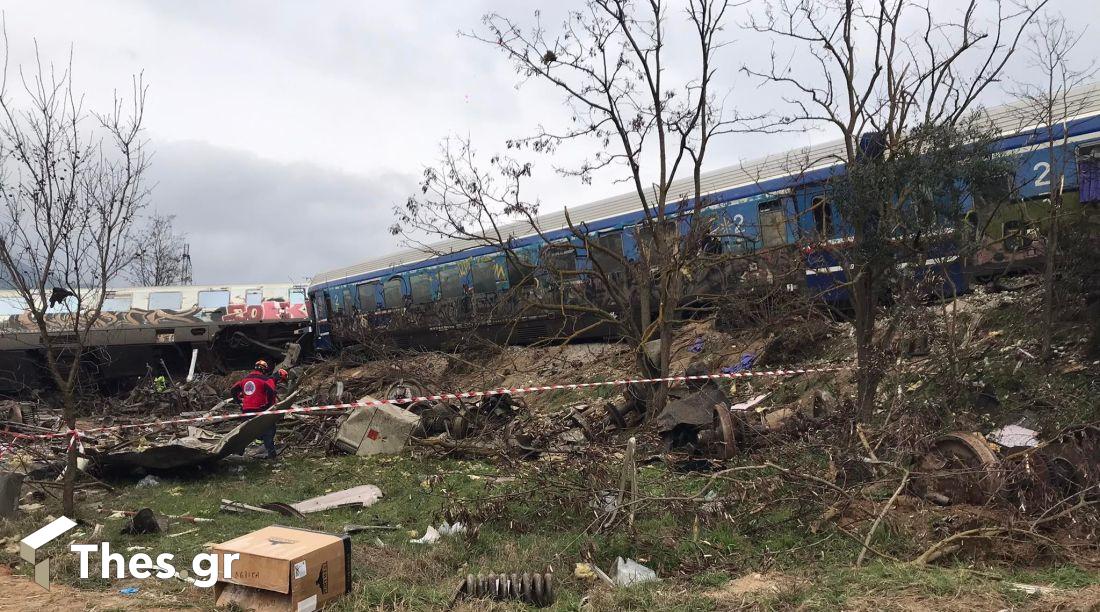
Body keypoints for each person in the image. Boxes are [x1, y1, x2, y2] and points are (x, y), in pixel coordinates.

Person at [230, 359, 279, 459]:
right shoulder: (265, 379)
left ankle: (239, 452)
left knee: (245, 432)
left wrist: (239, 401)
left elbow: (233, 390)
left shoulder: (244, 380)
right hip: (260, 409)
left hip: (246, 410)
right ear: (265, 370)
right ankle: (271, 454)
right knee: (269, 430)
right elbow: (272, 391)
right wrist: (269, 405)